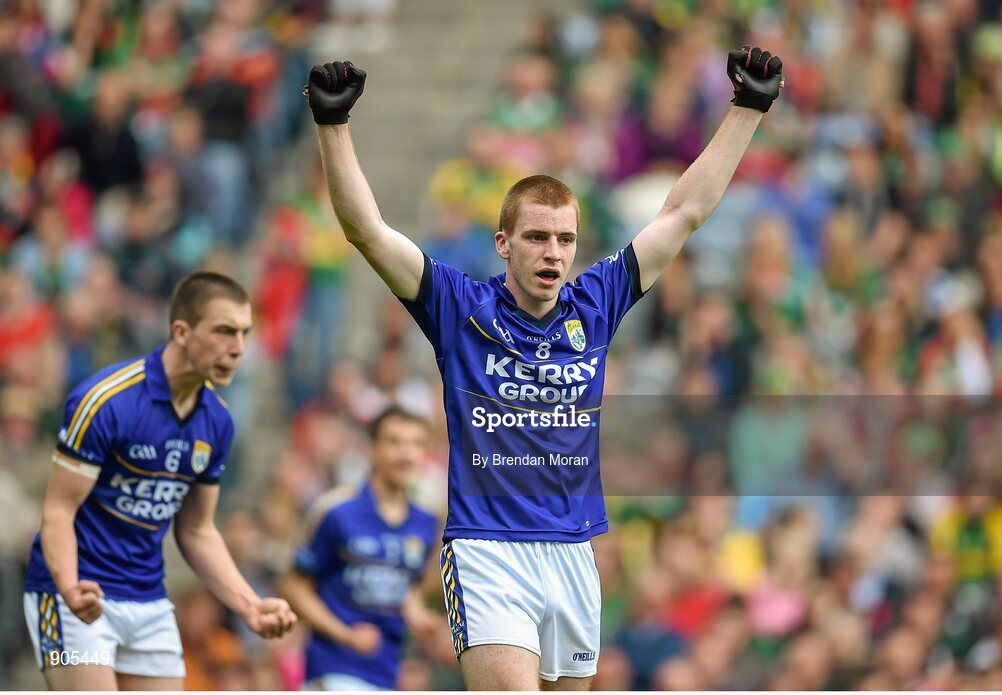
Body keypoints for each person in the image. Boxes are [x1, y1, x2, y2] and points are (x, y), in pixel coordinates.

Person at [305, 46, 783, 690]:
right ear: (503, 244)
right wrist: (333, 126)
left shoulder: (597, 303)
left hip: (574, 554)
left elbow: (683, 213)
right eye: (536, 237)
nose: (552, 252)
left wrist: (747, 108)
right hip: (487, 550)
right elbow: (366, 230)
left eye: (564, 239)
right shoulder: (459, 307)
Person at [22, 271, 298, 691]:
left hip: (148, 602)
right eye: (224, 331)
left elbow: (197, 530)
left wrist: (250, 604)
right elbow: (59, 510)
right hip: (76, 596)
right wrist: (69, 586)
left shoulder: (218, 421)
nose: (238, 348)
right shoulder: (106, 401)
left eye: (245, 333)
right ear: (182, 332)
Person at [280, 405, 449, 691]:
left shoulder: (425, 522)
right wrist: (345, 634)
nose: (406, 454)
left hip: (387, 672)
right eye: (395, 442)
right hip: (334, 668)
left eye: (416, 444)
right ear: (371, 449)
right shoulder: (336, 511)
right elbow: (295, 588)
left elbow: (407, 588)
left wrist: (419, 618)